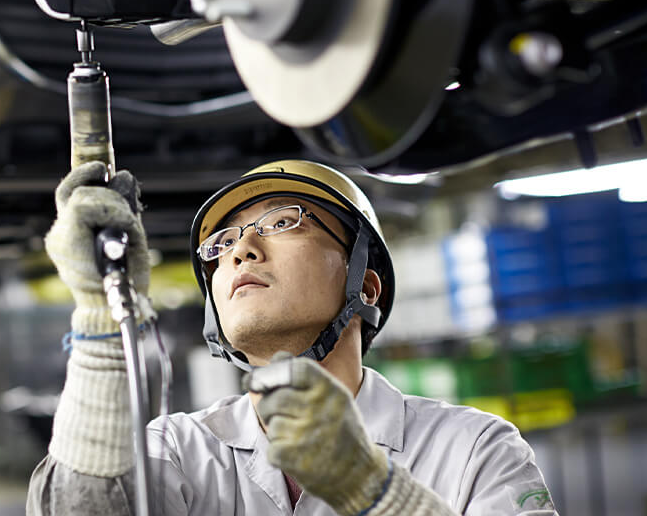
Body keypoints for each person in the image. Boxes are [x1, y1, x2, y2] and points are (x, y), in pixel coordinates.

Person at [29, 159, 558, 515]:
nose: (241, 251)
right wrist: (99, 315)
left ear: (365, 286)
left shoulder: (473, 449)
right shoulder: (179, 451)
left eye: (283, 222)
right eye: (222, 243)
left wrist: (375, 492)